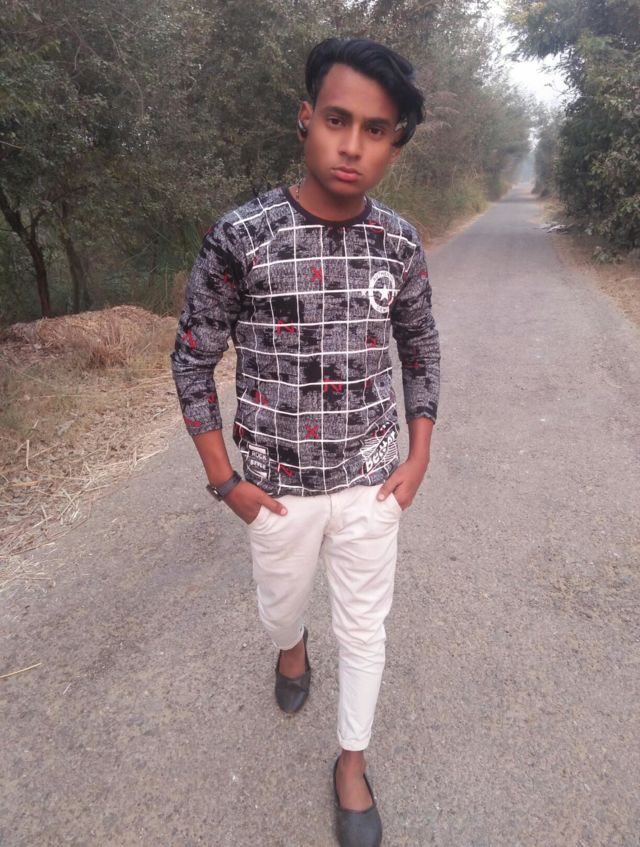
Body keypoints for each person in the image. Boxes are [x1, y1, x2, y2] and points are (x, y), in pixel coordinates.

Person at [171, 36, 440, 847]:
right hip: (277, 489)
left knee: (366, 628)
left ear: (395, 143)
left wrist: (418, 454)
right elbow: (193, 357)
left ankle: (351, 761)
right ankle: (291, 647)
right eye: (336, 120)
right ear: (305, 119)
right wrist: (227, 481)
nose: (352, 145)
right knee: (280, 606)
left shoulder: (399, 243)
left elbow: (421, 347)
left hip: (371, 481)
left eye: (375, 129)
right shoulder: (242, 236)